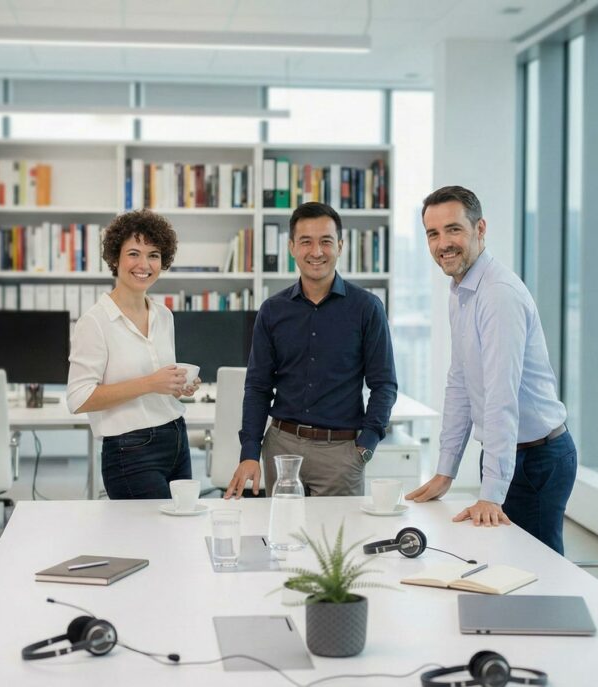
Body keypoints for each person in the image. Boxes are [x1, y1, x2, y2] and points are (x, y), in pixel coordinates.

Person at [406, 185, 576, 554]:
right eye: (433, 234)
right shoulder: (461, 290)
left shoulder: (498, 294)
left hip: (538, 458)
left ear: (480, 229)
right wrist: (445, 470)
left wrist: (491, 494)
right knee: (502, 563)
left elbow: (501, 396)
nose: (442, 244)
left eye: (454, 229)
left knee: (537, 571)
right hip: (509, 451)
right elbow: (460, 384)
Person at [224, 202, 397, 498]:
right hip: (281, 448)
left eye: (326, 241)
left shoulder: (367, 308)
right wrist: (249, 452)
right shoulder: (272, 310)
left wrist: (366, 445)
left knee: (338, 530)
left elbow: (384, 385)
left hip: (340, 453)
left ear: (340, 246)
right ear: (292, 247)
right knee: (282, 528)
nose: (316, 251)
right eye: (306, 241)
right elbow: (258, 386)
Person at [66, 210, 200, 500]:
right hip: (131, 450)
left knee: (180, 526)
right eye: (134, 254)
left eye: (154, 255)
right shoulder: (95, 322)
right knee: (149, 530)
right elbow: (78, 398)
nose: (144, 265)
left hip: (177, 438)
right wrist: (150, 383)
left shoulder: (163, 315)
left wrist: (178, 386)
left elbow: (159, 383)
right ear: (115, 258)